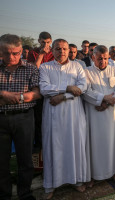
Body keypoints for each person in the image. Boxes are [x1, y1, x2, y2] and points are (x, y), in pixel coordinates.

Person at [39, 39, 89, 198]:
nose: (62, 52)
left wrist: (63, 97)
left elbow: (83, 87)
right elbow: (44, 89)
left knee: (74, 145)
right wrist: (67, 88)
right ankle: (51, 184)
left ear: (69, 50)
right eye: (58, 49)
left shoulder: (77, 66)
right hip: (53, 115)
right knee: (53, 147)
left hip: (73, 113)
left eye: (65, 49)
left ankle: (76, 180)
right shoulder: (45, 67)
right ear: (52, 50)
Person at [0, 34, 41, 200]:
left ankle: (25, 193)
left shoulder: (30, 68)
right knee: (1, 161)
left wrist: (19, 98)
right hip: (1, 119)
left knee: (25, 159)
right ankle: (4, 194)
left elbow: (37, 93)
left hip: (24, 118)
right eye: (6, 52)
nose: (11, 57)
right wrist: (3, 93)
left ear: (22, 51)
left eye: (15, 53)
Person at [83, 45, 115, 184]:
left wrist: (107, 103)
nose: (102, 61)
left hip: (112, 113)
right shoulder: (86, 72)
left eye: (105, 58)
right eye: (99, 58)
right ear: (93, 57)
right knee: (94, 144)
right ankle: (93, 174)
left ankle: (114, 171)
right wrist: (102, 98)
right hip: (94, 114)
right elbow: (85, 90)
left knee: (114, 143)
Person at [27, 31, 55, 152]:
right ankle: (39, 145)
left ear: (51, 41)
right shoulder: (33, 52)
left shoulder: (55, 52)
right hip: (37, 89)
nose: (46, 45)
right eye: (43, 42)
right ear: (39, 41)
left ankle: (51, 143)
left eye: (48, 42)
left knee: (52, 118)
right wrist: (41, 55)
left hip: (51, 88)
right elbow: (34, 69)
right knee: (38, 119)